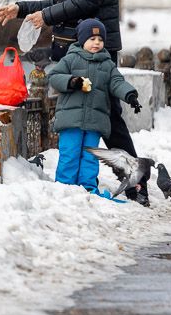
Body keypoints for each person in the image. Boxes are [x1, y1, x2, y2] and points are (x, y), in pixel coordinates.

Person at [0, 0, 149, 205]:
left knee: (110, 117)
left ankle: (136, 182)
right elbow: (62, 2)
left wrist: (46, 16)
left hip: (97, 47)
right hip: (75, 47)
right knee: (94, 113)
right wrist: (22, 8)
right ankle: (117, 180)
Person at [46, 19, 142, 196]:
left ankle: (87, 186)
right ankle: (64, 186)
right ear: (82, 40)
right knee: (70, 154)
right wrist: (72, 81)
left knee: (90, 157)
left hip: (95, 121)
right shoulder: (70, 59)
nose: (96, 43)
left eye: (100, 39)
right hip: (71, 120)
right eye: (92, 39)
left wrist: (130, 95)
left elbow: (117, 82)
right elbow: (54, 77)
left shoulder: (107, 64)